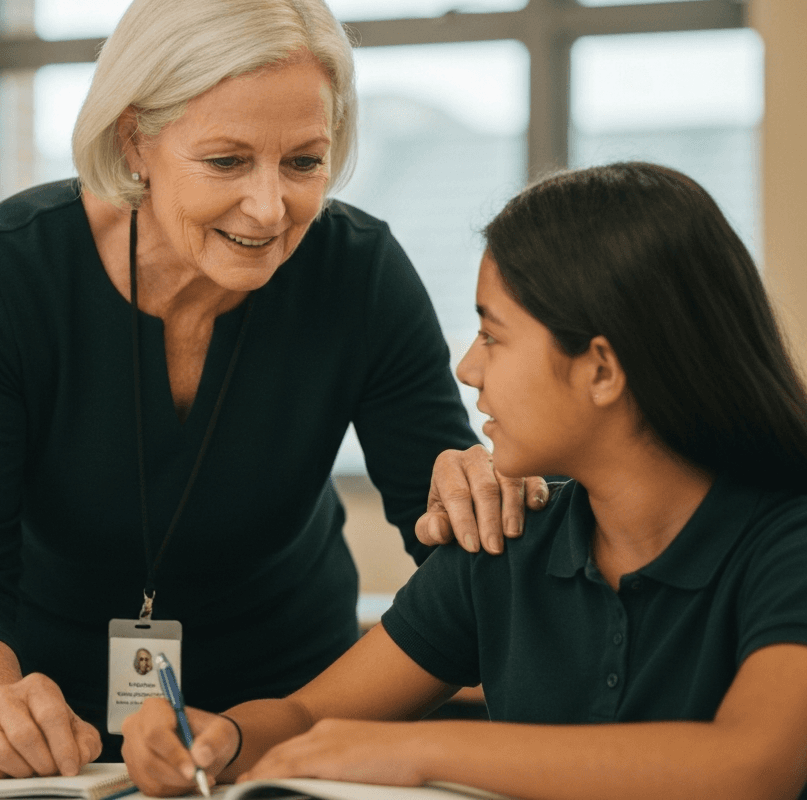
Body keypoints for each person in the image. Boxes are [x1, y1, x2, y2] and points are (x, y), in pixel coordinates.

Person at [0, 0, 549, 779]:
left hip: (287, 712)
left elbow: (439, 528)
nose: (270, 208)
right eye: (226, 161)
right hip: (50, 722)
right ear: (135, 140)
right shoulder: (3, 273)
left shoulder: (357, 272)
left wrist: (474, 492)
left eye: (304, 162)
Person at [122, 162, 807, 800]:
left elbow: (753, 763)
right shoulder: (508, 540)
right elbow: (309, 717)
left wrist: (421, 751)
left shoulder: (788, 540)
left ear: (601, 370)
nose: (468, 369)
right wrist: (221, 738)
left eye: (493, 336)